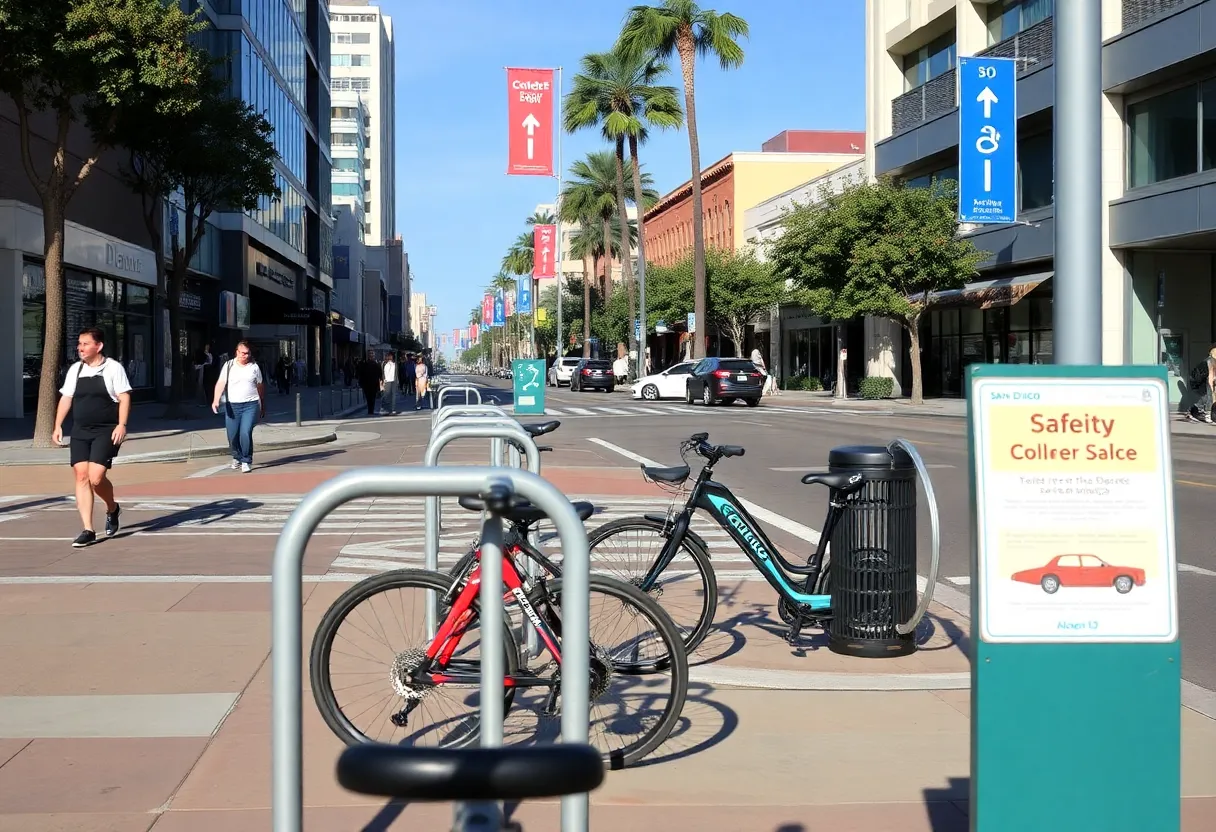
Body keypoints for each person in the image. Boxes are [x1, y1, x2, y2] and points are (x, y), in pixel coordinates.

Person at [53, 327, 132, 548]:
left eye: (86, 343)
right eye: (79, 343)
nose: (80, 347)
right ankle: (88, 529)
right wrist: (58, 425)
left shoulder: (113, 368)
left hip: (106, 429)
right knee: (81, 476)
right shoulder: (75, 370)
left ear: (99, 346)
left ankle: (112, 508)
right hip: (80, 430)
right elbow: (66, 398)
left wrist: (122, 425)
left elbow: (124, 398)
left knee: (96, 477)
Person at [211, 340, 266, 473]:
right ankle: (237, 457)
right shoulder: (229, 365)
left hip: (250, 405)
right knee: (232, 435)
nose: (245, 356)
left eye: (247, 353)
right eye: (242, 353)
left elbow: (260, 386)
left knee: (245, 432)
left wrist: (262, 404)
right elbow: (221, 383)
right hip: (232, 406)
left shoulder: (254, 367)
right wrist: (215, 400)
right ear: (237, 352)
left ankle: (246, 460)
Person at [1187, 344, 1216, 423]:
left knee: (1204, 397)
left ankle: (1192, 412)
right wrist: (1211, 387)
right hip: (1199, 380)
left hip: (1199, 379)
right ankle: (1206, 414)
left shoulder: (1211, 360)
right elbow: (1210, 376)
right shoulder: (1210, 361)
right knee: (1207, 396)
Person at [356, 350, 382, 416]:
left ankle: (371, 410)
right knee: (368, 397)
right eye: (370, 354)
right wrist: (361, 383)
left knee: (373, 397)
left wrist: (380, 385)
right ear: (368, 355)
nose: (371, 355)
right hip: (366, 384)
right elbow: (360, 374)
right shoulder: (364, 364)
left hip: (374, 384)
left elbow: (380, 375)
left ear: (374, 355)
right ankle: (370, 410)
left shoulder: (377, 364)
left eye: (372, 354)